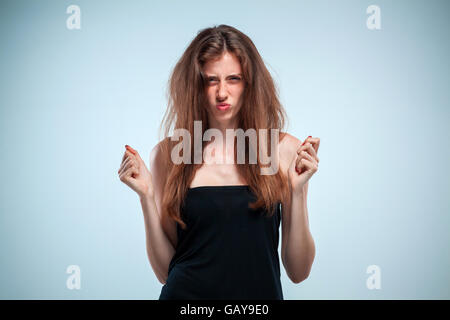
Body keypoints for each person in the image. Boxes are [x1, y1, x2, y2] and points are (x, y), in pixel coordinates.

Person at [117, 24, 320, 300]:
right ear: (195, 85)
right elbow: (166, 272)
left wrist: (297, 192)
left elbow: (299, 271)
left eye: (233, 79)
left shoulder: (283, 151)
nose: (222, 92)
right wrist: (146, 196)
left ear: (249, 82)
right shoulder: (169, 154)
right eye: (211, 80)